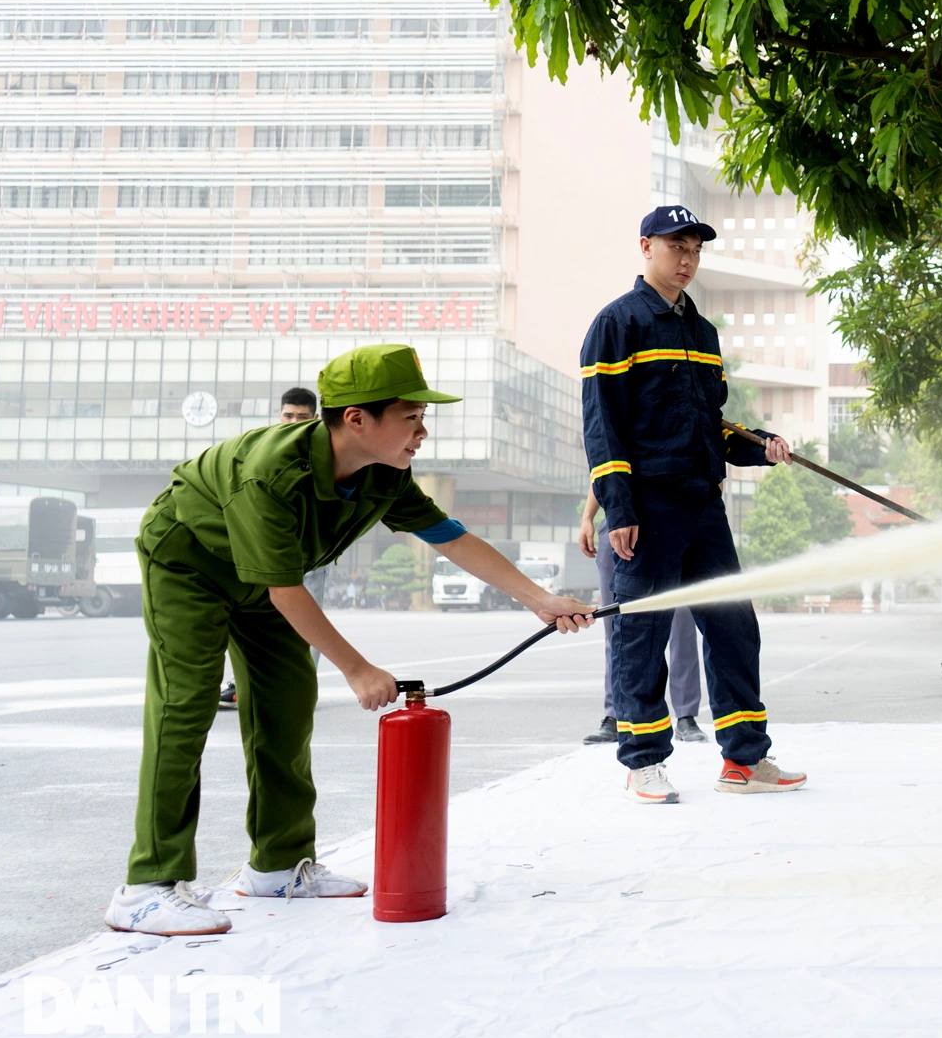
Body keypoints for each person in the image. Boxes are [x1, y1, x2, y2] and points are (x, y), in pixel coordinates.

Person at [104, 344, 595, 936]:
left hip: (265, 579)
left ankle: (277, 864)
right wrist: (358, 669)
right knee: (185, 705)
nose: (423, 431)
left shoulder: (385, 476)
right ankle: (147, 887)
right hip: (190, 564)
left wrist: (540, 600)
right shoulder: (271, 472)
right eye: (411, 417)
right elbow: (286, 590)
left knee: (285, 704)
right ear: (357, 419)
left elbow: (452, 538)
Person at [582, 205, 806, 804]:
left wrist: (763, 448)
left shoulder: (702, 335)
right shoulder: (617, 324)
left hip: (705, 509)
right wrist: (619, 509)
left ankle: (744, 760)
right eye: (675, 246)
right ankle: (644, 762)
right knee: (642, 636)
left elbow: (712, 426)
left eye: (695, 250)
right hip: (648, 510)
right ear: (645, 247)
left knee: (734, 627)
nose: (687, 259)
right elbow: (603, 427)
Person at [578, 477, 708, 746]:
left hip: (671, 527)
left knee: (681, 626)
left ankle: (685, 716)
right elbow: (602, 473)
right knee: (616, 630)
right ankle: (615, 716)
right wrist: (587, 518)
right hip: (617, 529)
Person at [220, 386, 324, 714]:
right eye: (288, 415)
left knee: (306, 615)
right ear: (279, 414)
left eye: (302, 417)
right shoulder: (263, 445)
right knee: (255, 616)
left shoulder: (321, 451)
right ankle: (245, 682)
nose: (294, 421)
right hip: (267, 546)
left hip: (311, 549)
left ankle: (300, 685)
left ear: (315, 417)